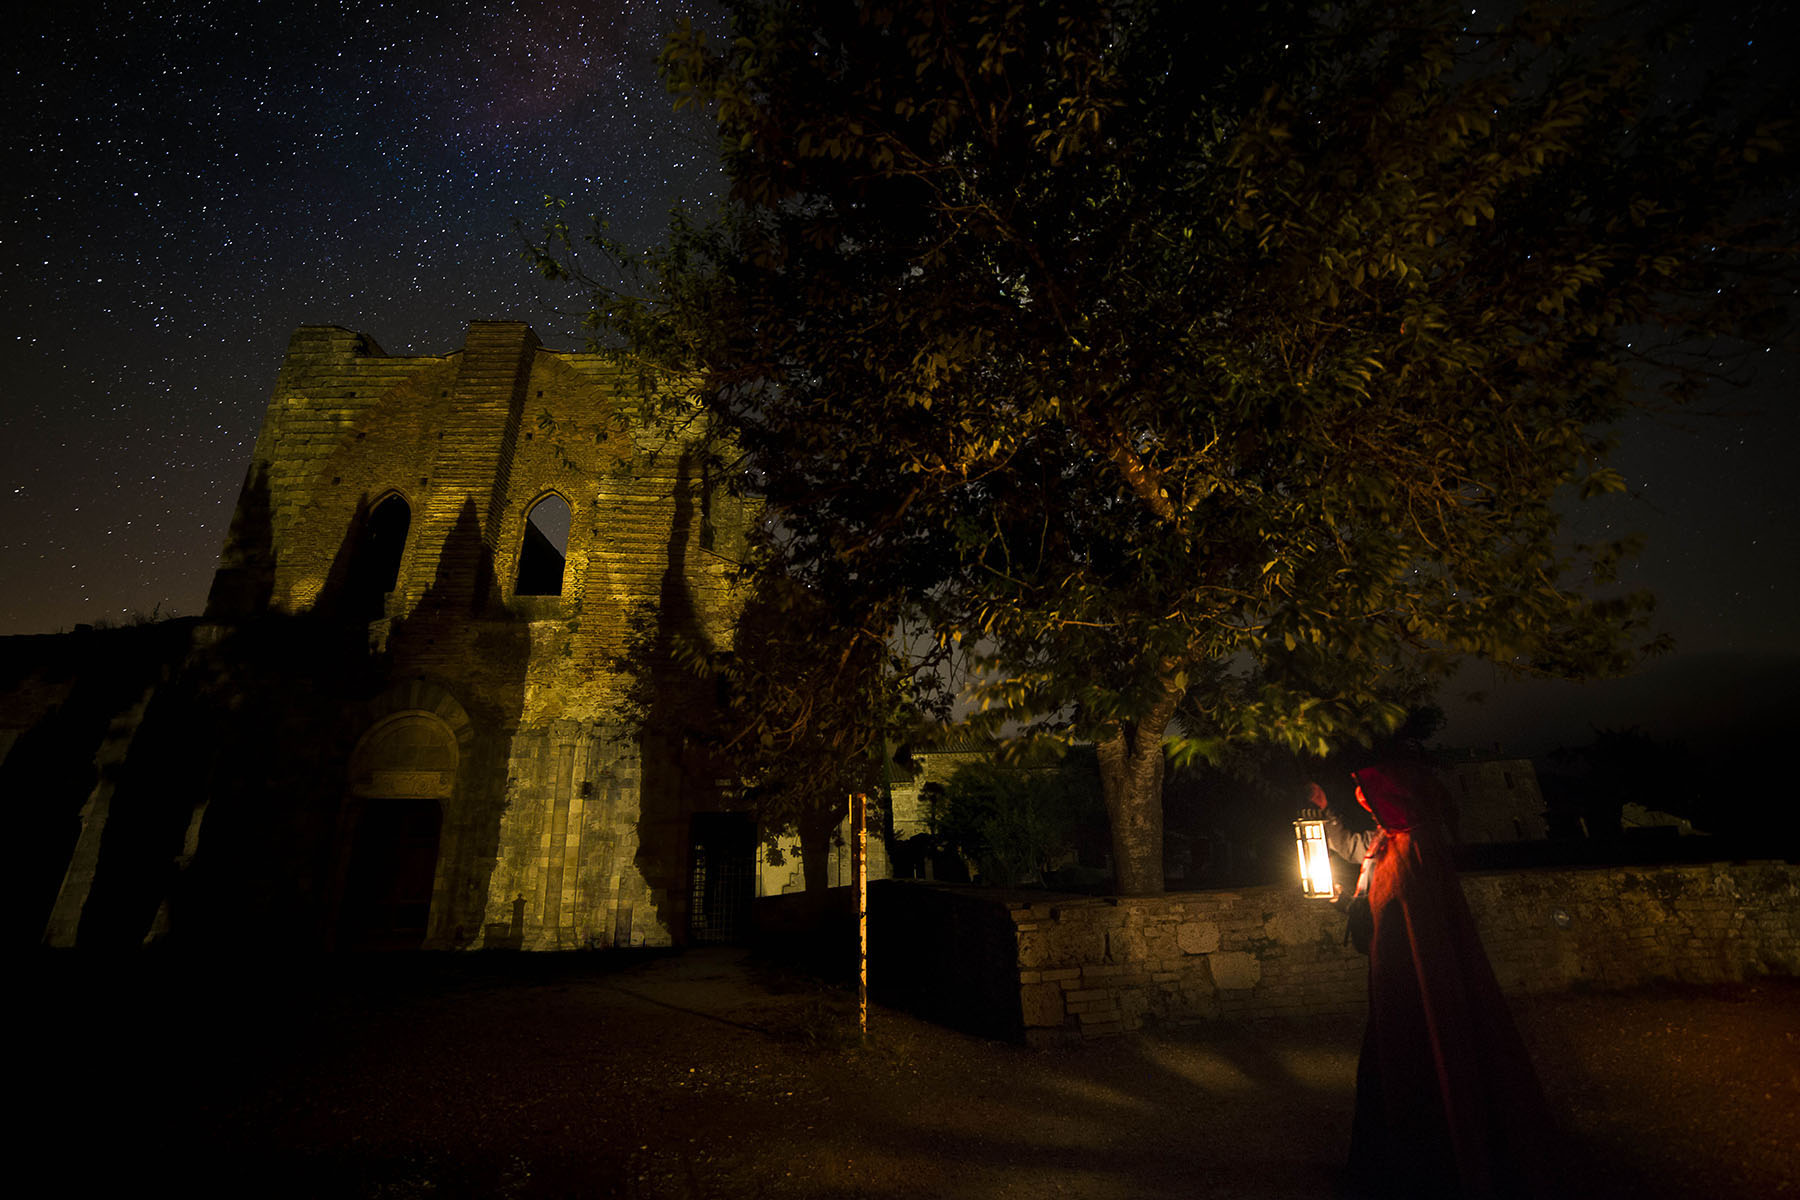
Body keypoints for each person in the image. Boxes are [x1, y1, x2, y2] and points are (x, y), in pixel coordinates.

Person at [1318, 763, 1559, 1199]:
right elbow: (1373, 892)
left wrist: (1360, 908)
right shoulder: (1387, 842)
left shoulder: (1414, 847)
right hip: (1394, 985)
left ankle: (1444, 1162)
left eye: (1371, 803)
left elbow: (1406, 915)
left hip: (1417, 989)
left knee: (1429, 1064)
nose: (1369, 811)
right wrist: (1348, 901)